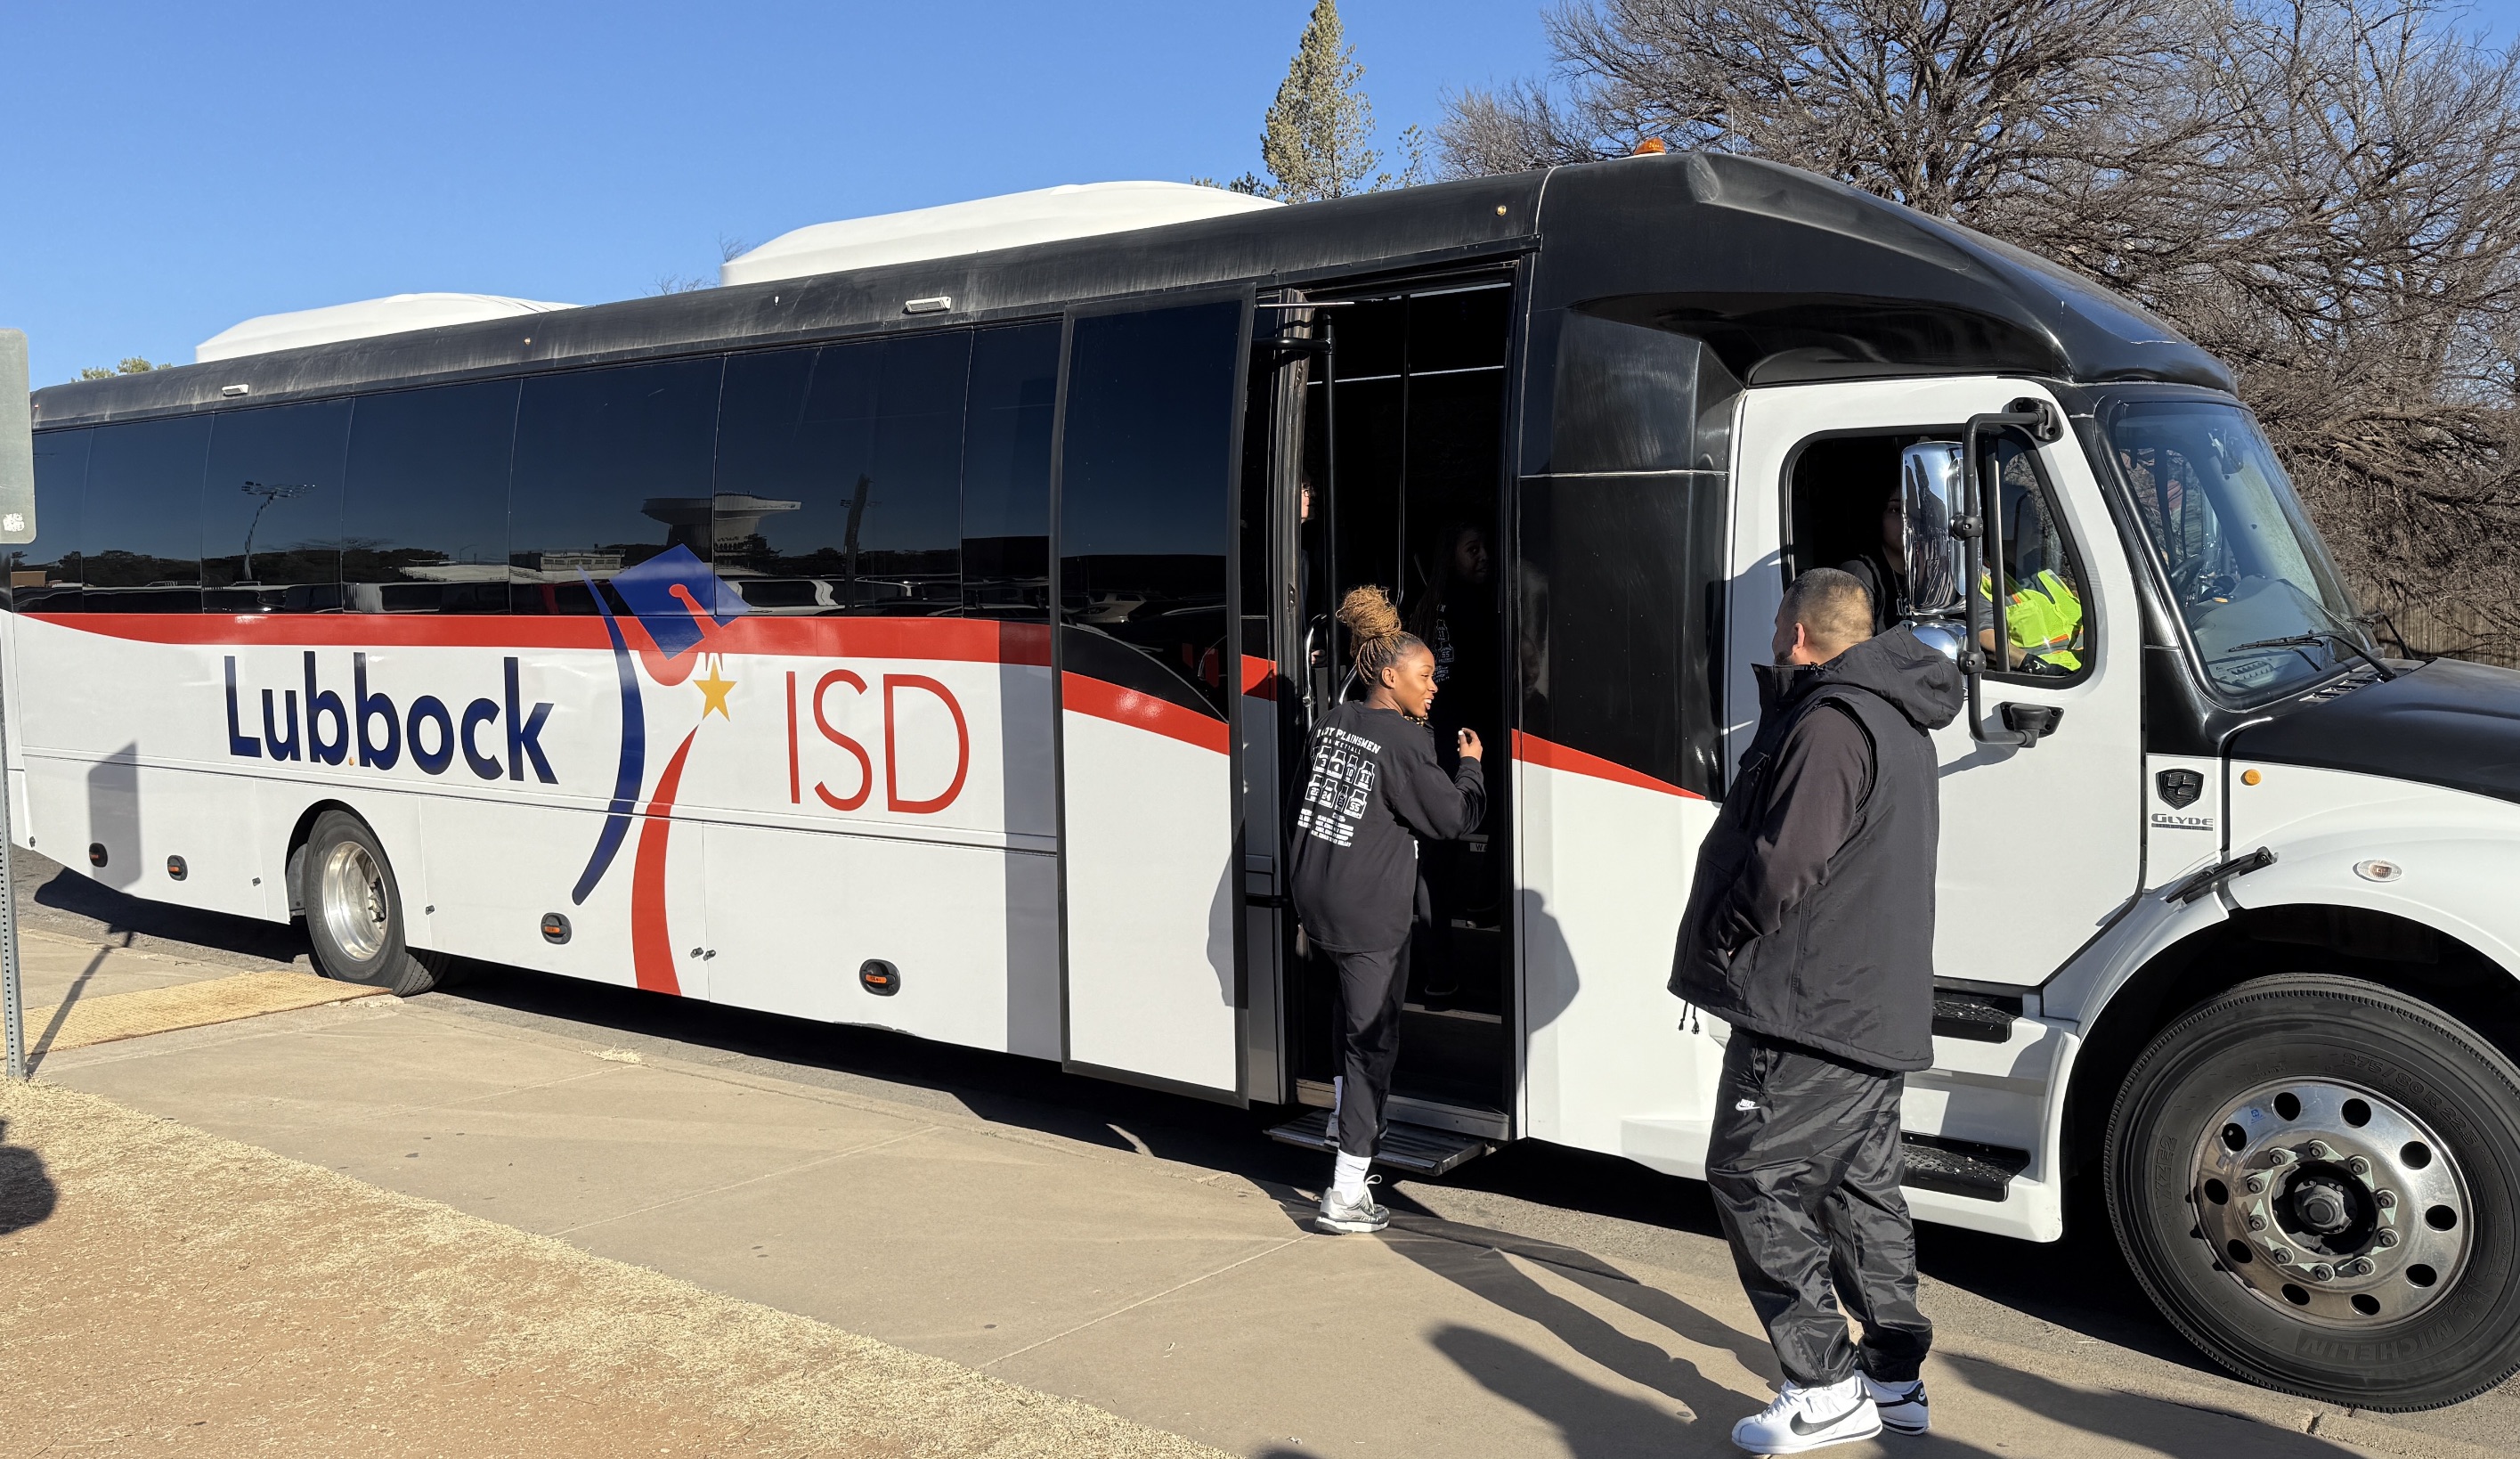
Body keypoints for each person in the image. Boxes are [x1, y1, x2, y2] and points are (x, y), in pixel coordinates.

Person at [1670, 566, 1963, 1455]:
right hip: (1870, 1006)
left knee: (1748, 1175)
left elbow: (1782, 864)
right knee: (1857, 1188)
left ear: (1799, 635)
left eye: (1775, 629)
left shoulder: (1831, 723)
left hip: (1808, 1009)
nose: (1770, 642)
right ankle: (1893, 1380)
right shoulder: (1900, 718)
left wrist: (1724, 942)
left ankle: (1823, 1385)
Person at [1289, 585, 1486, 1235]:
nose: (1433, 687)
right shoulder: (1403, 744)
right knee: (1372, 1044)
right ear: (1388, 673)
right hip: (1371, 914)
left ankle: (1339, 1120)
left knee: (1347, 1024)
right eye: (1425, 676)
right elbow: (1452, 820)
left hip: (1319, 899)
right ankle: (1346, 1191)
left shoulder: (1333, 721)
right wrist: (1470, 766)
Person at [1836, 485, 1907, 637]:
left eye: (1917, 508)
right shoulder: (1860, 572)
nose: (1907, 520)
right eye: (1896, 510)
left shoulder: (1939, 571)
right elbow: (1853, 647)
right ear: (1878, 516)